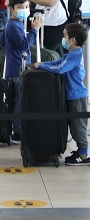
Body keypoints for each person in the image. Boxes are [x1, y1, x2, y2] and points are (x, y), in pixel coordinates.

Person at [35, 23, 89, 165]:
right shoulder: (72, 53)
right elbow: (59, 62)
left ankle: (83, 154)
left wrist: (41, 65)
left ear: (73, 40)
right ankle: (81, 151)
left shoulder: (75, 56)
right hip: (72, 95)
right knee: (73, 124)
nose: (63, 39)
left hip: (77, 96)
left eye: (65, 36)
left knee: (78, 126)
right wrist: (44, 64)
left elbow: (60, 68)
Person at [3, 0, 43, 143]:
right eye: (20, 7)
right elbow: (24, 45)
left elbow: (2, 41)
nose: (24, 10)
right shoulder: (14, 25)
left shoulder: (14, 24)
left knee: (17, 100)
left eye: (26, 7)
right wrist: (35, 30)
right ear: (12, 9)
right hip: (17, 69)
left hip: (15, 67)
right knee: (19, 101)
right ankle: (18, 132)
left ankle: (17, 129)